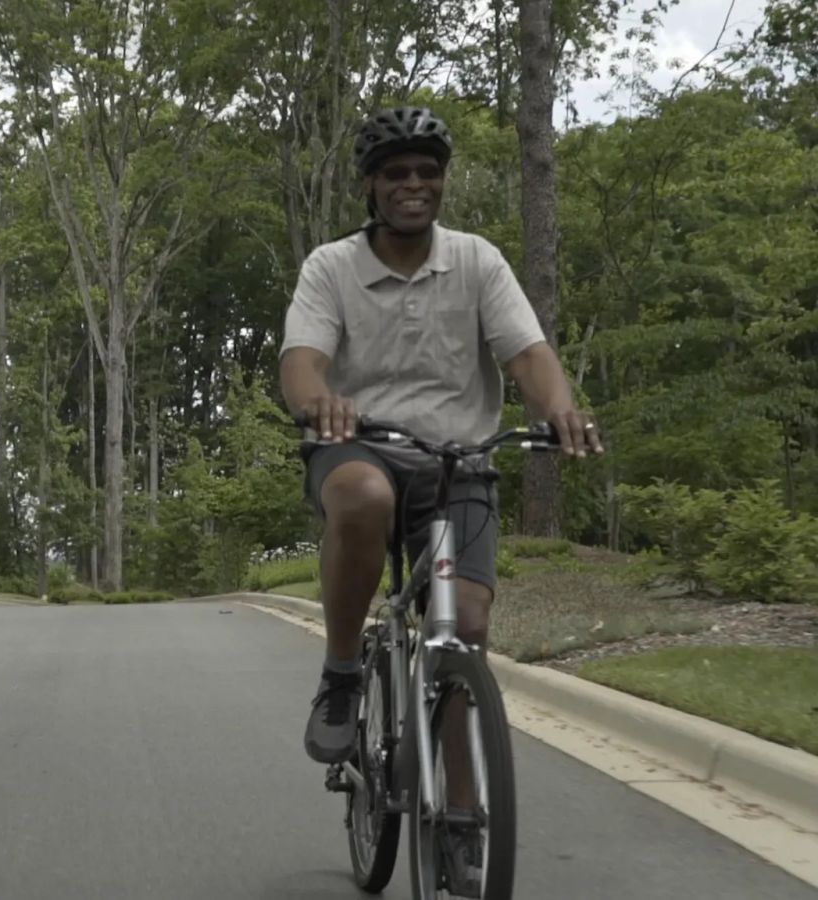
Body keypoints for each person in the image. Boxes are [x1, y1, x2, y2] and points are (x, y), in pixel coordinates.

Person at [278, 107, 602, 896]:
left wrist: (561, 408)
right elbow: (302, 362)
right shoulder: (332, 266)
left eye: (428, 172)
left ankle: (460, 817)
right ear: (371, 186)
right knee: (361, 496)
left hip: (459, 462)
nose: (414, 185)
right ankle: (344, 671)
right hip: (360, 445)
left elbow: (528, 354)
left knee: (467, 631)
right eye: (396, 173)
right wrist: (321, 403)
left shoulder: (476, 261)